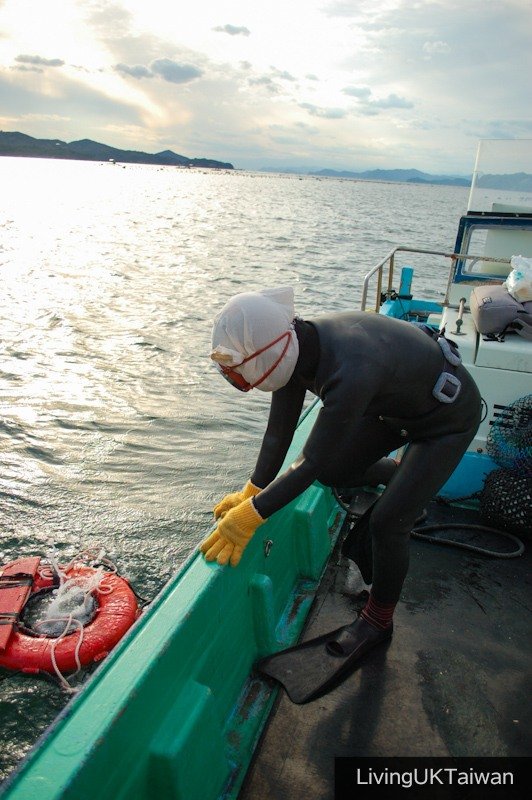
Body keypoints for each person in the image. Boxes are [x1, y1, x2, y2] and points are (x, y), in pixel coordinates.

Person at [199, 286, 481, 674]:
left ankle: (378, 621)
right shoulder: (293, 349)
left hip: (445, 421)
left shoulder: (350, 368)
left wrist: (251, 515)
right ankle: (405, 482)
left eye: (240, 373)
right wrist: (252, 490)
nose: (241, 382)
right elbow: (279, 435)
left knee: (387, 524)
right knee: (334, 473)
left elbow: (309, 460)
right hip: (394, 409)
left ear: (269, 354)